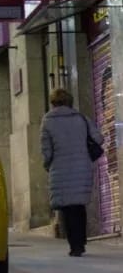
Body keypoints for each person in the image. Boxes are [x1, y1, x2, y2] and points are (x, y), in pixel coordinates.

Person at [41, 88, 104, 257]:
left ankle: (74, 245)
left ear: (53, 103)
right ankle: (81, 241)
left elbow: (46, 149)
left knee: (67, 209)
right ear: (70, 102)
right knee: (78, 205)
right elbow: (98, 138)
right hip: (81, 166)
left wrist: (47, 164)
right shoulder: (81, 118)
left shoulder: (47, 121)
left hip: (59, 168)